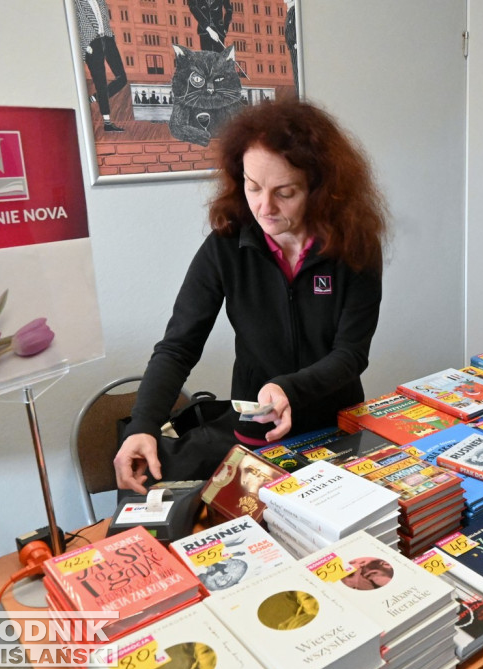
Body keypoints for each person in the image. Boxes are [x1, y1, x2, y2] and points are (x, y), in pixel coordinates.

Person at [115, 99, 388, 494]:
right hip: (258, 430)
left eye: (286, 192)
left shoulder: (354, 246)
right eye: (253, 186)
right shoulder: (226, 246)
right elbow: (177, 347)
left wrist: (289, 388)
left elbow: (351, 353)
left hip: (337, 425)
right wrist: (142, 425)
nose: (264, 207)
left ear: (321, 188)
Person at [75, 0, 128, 133]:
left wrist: (111, 37)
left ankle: (95, 98)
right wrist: (85, 47)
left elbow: (105, 20)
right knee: (101, 82)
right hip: (92, 42)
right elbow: (75, 25)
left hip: (107, 39)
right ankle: (107, 122)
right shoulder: (77, 2)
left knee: (122, 78)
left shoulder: (100, 1)